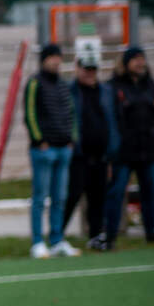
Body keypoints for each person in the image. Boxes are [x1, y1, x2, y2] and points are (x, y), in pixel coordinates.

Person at [105, 46, 154, 247]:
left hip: (148, 148)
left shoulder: (150, 84)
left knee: (150, 191)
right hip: (124, 150)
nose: (140, 63)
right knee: (117, 192)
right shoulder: (114, 86)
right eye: (136, 59)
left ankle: (152, 232)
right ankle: (110, 235)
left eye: (142, 59)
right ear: (126, 63)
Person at [23, 42, 80, 257]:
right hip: (44, 151)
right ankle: (37, 242)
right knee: (40, 197)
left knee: (60, 197)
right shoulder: (34, 83)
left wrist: (71, 139)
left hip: (63, 148)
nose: (57, 61)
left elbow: (71, 112)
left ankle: (57, 240)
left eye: (59, 57)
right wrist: (39, 140)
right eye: (52, 57)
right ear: (44, 60)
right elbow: (29, 114)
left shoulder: (63, 85)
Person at [62, 47, 118, 251]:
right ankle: (57, 235)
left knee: (98, 198)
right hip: (78, 155)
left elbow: (112, 121)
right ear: (77, 68)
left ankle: (96, 235)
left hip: (101, 155)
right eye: (86, 69)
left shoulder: (106, 92)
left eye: (93, 69)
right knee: (72, 195)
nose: (90, 73)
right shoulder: (69, 90)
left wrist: (112, 150)